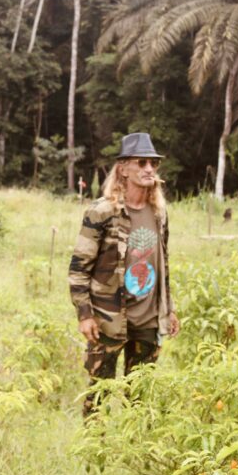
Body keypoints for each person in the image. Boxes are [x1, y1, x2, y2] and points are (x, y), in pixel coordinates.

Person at [68, 133, 181, 416]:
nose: (149, 170)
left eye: (153, 164)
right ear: (123, 169)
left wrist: (170, 309)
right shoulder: (102, 212)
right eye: (141, 163)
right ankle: (97, 455)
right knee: (99, 394)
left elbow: (162, 263)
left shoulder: (159, 212)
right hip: (108, 320)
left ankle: (133, 453)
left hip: (148, 319)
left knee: (140, 396)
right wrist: (85, 314)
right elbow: (79, 268)